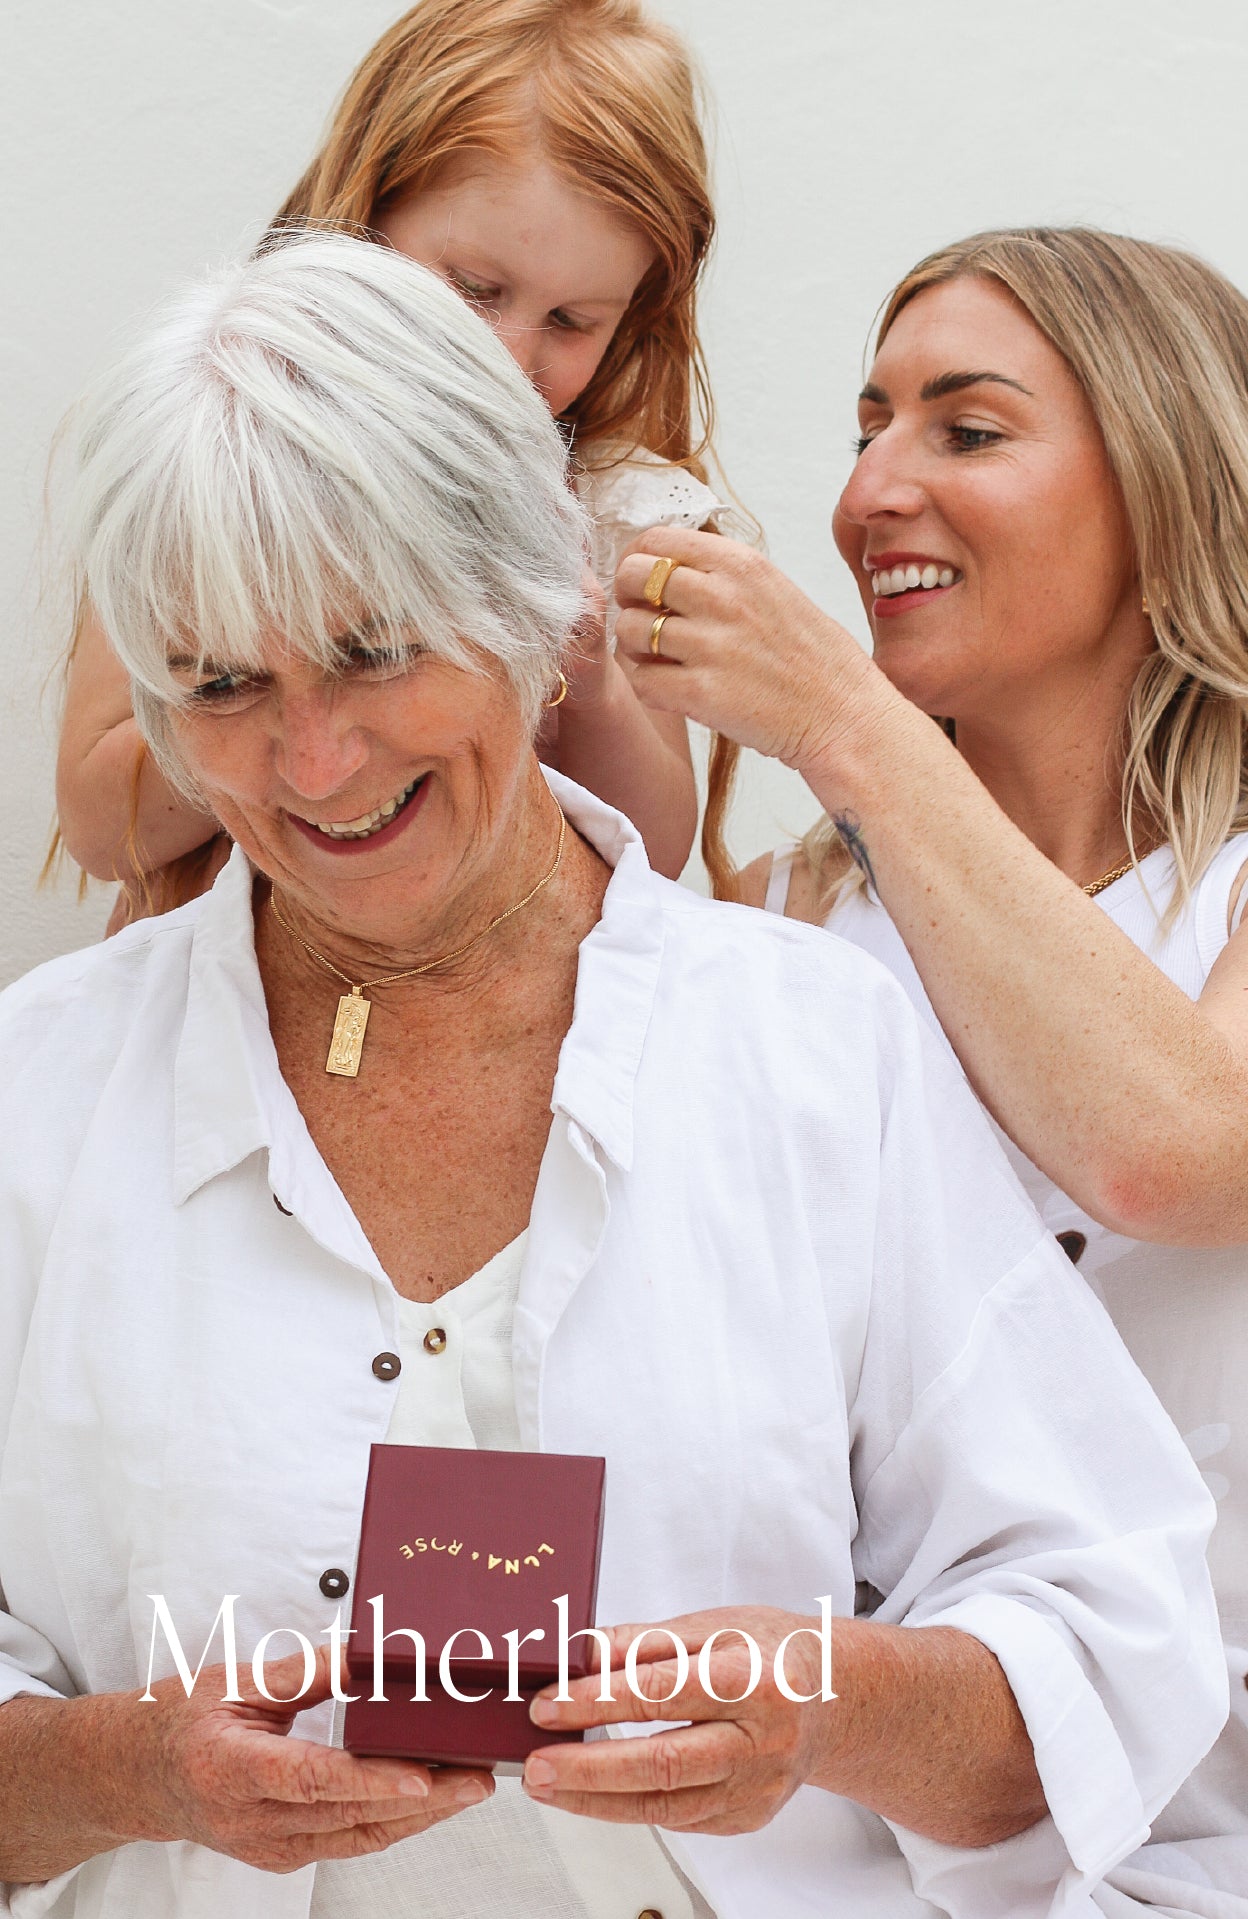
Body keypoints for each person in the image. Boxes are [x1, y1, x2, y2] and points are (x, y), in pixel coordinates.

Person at [0, 231, 1229, 1919]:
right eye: (222, 682)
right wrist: (123, 1767)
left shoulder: (818, 1042)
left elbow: (1110, 1650)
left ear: (531, 609)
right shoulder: (43, 1087)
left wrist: (826, 1708)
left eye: (374, 649)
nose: (313, 760)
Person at [613, 225, 1248, 1917]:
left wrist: (844, 723)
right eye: (864, 428)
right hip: (889, 1857)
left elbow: (1175, 1150)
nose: (869, 492)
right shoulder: (799, 917)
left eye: (964, 429)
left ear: (1168, 482)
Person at [53, 0, 731, 921]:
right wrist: (254, 698)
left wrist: (581, 676)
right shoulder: (214, 453)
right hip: (238, 986)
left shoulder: (616, 507)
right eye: (474, 289)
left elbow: (656, 849)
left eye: (573, 321)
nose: (508, 357)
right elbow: (100, 826)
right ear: (364, 215)